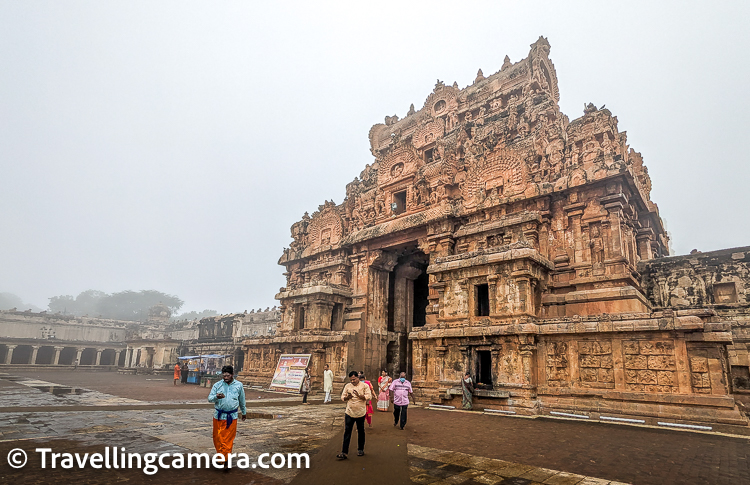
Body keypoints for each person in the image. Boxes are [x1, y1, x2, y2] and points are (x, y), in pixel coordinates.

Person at [208, 365, 247, 470]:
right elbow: (210, 398)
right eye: (224, 375)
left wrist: (244, 412)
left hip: (232, 417)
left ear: (232, 375)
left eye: (227, 375)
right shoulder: (217, 385)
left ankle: (225, 460)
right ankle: (221, 456)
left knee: (228, 439)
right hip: (219, 416)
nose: (225, 377)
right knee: (218, 438)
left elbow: (242, 400)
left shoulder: (239, 385)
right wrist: (216, 397)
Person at [337, 370, 371, 460]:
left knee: (360, 431)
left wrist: (360, 396)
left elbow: (369, 396)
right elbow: (342, 397)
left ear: (357, 378)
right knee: (347, 431)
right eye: (351, 380)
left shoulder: (364, 386)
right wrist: (348, 397)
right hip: (349, 411)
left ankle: (360, 449)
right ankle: (344, 452)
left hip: (360, 412)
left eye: (354, 379)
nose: (353, 381)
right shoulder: (347, 386)